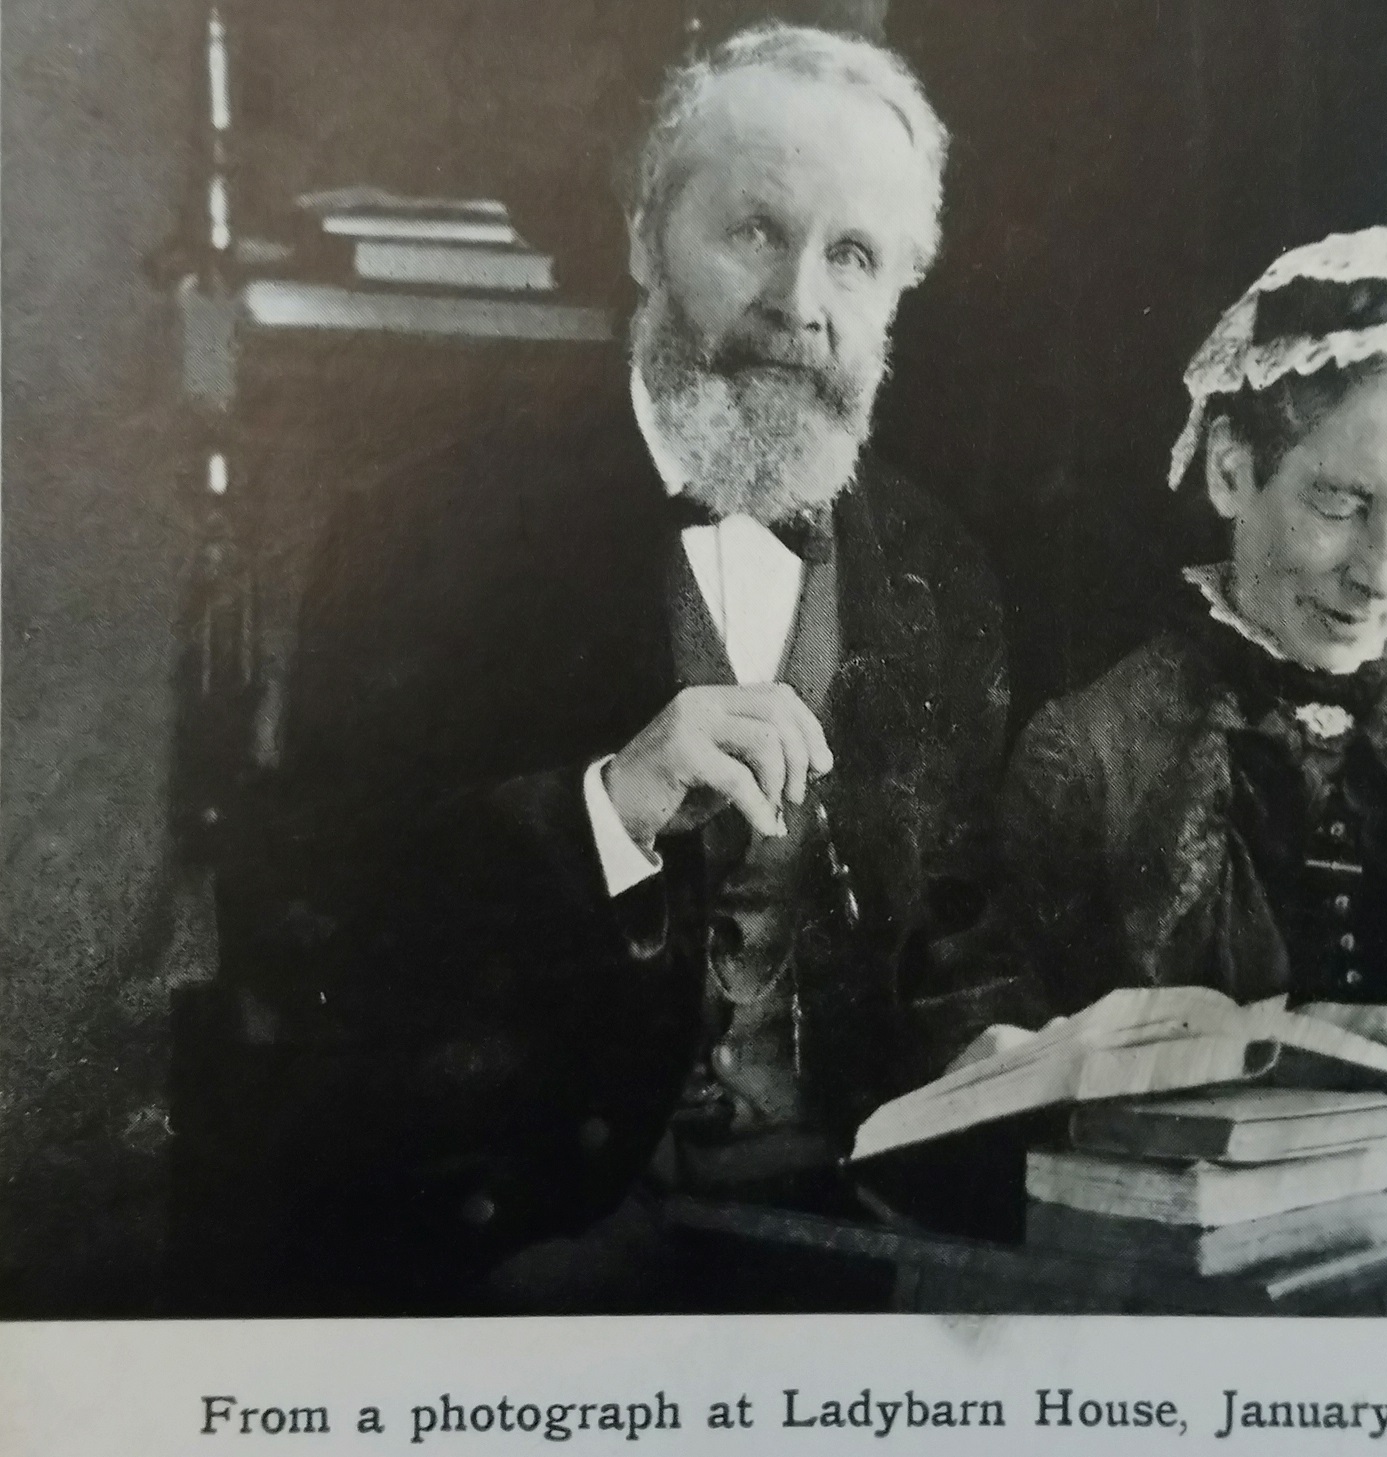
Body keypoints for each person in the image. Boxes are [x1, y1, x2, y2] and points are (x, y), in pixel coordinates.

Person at [171, 23, 1004, 1314]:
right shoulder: (428, 532)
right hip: (537, 1229)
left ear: (899, 287)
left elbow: (954, 936)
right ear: (643, 239)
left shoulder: (940, 570)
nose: (799, 301)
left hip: (858, 1240)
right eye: (754, 230)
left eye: (852, 254)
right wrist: (605, 806)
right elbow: (305, 918)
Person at [925, 228, 1387, 1307]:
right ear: (1231, 470)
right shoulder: (1088, 751)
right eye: (1338, 506)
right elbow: (976, 1122)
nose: (1378, 571)